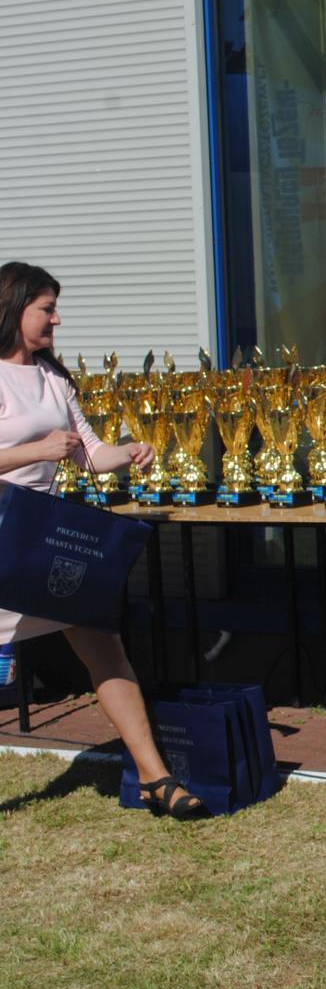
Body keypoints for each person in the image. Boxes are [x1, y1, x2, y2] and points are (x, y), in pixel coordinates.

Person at [0, 262, 205, 818]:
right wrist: (37, 451)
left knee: (106, 649)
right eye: (47, 309)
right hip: (3, 544)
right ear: (14, 308)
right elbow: (45, 449)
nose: (56, 319)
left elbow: (89, 452)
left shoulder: (53, 378)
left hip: (43, 542)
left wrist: (129, 451)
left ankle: (155, 777)